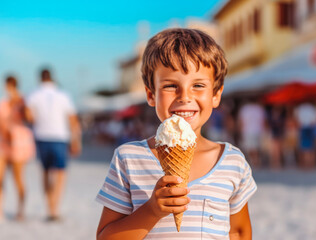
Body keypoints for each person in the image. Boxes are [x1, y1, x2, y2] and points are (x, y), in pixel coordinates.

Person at [96, 28, 257, 239]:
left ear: (216, 95)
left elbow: (238, 231)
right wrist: (152, 211)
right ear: (151, 94)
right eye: (171, 86)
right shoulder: (128, 158)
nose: (184, 97)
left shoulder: (232, 162)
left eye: (198, 85)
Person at [26, 69, 82, 221]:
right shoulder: (63, 95)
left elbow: (30, 117)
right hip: (59, 138)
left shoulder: (33, 94)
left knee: (45, 172)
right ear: (52, 79)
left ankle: (49, 206)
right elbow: (72, 120)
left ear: (40, 78)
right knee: (60, 174)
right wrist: (76, 140)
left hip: (42, 136)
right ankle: (54, 210)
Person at [0, 76, 35, 221]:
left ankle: (20, 210)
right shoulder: (3, 102)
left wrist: (21, 104)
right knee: (1, 178)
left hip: (19, 143)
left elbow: (30, 118)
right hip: (3, 142)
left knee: (18, 178)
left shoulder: (22, 101)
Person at [237, 98, 266, 168]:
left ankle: (254, 161)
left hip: (247, 130)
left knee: (250, 147)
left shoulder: (245, 109)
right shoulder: (259, 108)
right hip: (258, 130)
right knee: (256, 147)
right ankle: (256, 160)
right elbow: (263, 121)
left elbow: (241, 121)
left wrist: (240, 131)